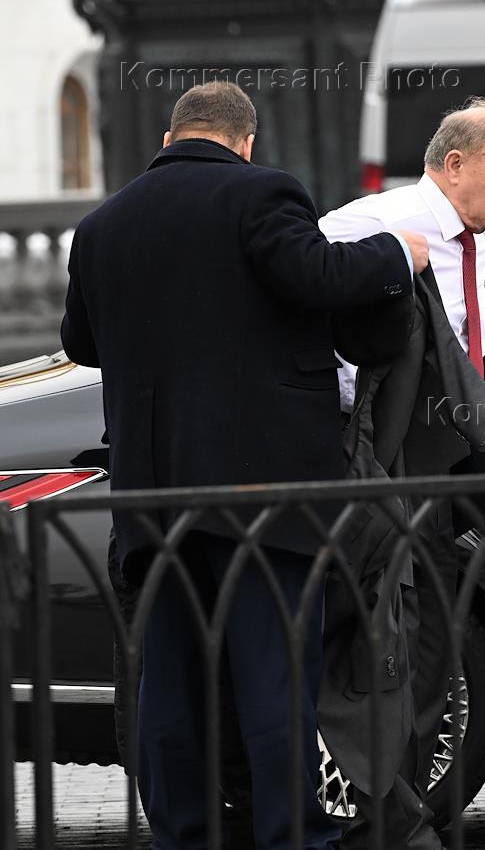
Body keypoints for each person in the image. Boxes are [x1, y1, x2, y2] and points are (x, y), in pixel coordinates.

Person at [60, 80, 429, 850]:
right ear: (245, 141)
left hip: (154, 496)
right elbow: (317, 276)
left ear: (171, 137)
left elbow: (81, 343)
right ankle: (290, 835)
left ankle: (184, 835)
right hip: (264, 497)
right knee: (273, 678)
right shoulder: (262, 194)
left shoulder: (102, 226)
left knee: (170, 683)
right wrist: (397, 252)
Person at [318, 97, 485, 848]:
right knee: (378, 649)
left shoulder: (478, 244)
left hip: (437, 476)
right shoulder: (369, 227)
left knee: (429, 649)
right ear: (454, 165)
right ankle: (377, 817)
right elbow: (317, 342)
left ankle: (408, 810)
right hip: (378, 473)